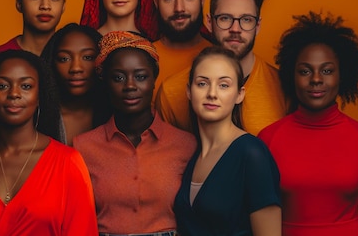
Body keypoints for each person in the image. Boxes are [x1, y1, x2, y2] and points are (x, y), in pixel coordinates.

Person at [0, 50, 98, 235]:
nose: (14, 93)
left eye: (26, 86)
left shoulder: (68, 163)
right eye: (3, 86)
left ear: (39, 96)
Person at [258, 11, 358, 236]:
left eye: (327, 70)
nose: (316, 79)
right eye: (305, 71)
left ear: (342, 75)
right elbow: (258, 216)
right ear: (291, 76)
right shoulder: (268, 139)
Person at [73, 31, 196, 235]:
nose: (130, 86)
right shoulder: (82, 147)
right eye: (119, 77)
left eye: (140, 76)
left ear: (154, 79)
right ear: (105, 82)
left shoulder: (185, 144)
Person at [156, 0, 287, 135]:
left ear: (257, 26)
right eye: (225, 18)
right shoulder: (171, 93)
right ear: (209, 22)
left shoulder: (283, 87)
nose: (235, 29)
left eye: (246, 20)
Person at [175, 46, 281, 236]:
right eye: (202, 83)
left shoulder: (252, 154)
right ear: (189, 91)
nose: (212, 93)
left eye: (224, 85)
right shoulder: (193, 155)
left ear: (239, 94)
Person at [40, 23, 111, 145]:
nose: (76, 68)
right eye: (64, 59)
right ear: (51, 63)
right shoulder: (37, 118)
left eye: (88, 57)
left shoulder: (115, 115)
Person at [152, 0, 211, 98]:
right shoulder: (143, 58)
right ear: (156, 2)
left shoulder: (221, 56)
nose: (179, 8)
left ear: (202, 1)